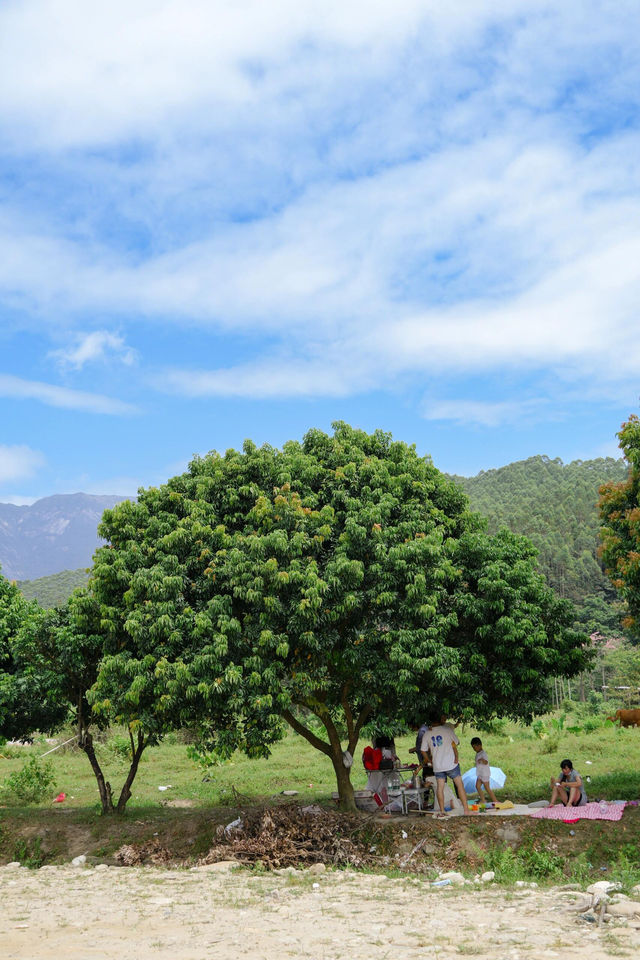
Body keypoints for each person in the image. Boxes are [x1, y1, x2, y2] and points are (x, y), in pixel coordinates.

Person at [421, 716, 472, 815]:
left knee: (440, 787)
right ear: (440, 720)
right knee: (459, 785)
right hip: (451, 764)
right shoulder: (447, 730)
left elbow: (423, 750)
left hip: (438, 766)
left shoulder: (427, 733)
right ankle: (466, 810)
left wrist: (428, 759)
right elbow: (456, 742)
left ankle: (442, 811)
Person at [471, 736, 498, 804]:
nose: (474, 749)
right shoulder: (477, 753)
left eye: (475, 747)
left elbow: (486, 762)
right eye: (473, 747)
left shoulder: (483, 753)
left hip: (485, 773)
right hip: (480, 773)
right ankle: (483, 800)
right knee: (477, 786)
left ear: (480, 745)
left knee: (487, 788)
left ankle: (496, 801)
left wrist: (482, 760)